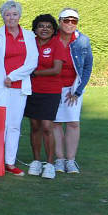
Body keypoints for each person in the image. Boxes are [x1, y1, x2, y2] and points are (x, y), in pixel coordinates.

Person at [0, 0, 38, 176]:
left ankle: (10, 162)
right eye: (7, 14)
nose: (11, 17)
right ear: (3, 16)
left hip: (18, 86)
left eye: (14, 14)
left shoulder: (29, 36)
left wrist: (12, 77)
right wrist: (4, 78)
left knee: (14, 125)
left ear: (19, 16)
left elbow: (32, 62)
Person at [24, 14, 67, 179]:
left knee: (47, 126)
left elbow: (56, 70)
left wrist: (34, 73)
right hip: (31, 90)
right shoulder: (30, 42)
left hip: (51, 92)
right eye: (41, 26)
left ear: (53, 30)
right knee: (35, 126)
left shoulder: (57, 44)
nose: (44, 29)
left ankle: (49, 164)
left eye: (48, 26)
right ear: (35, 29)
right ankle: (36, 161)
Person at [52, 8, 92, 174]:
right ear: (59, 21)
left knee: (73, 122)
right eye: (66, 20)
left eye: (73, 21)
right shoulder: (50, 38)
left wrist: (78, 91)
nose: (69, 24)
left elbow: (88, 66)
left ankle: (71, 161)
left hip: (72, 88)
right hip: (52, 87)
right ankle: (59, 160)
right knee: (55, 123)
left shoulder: (82, 40)